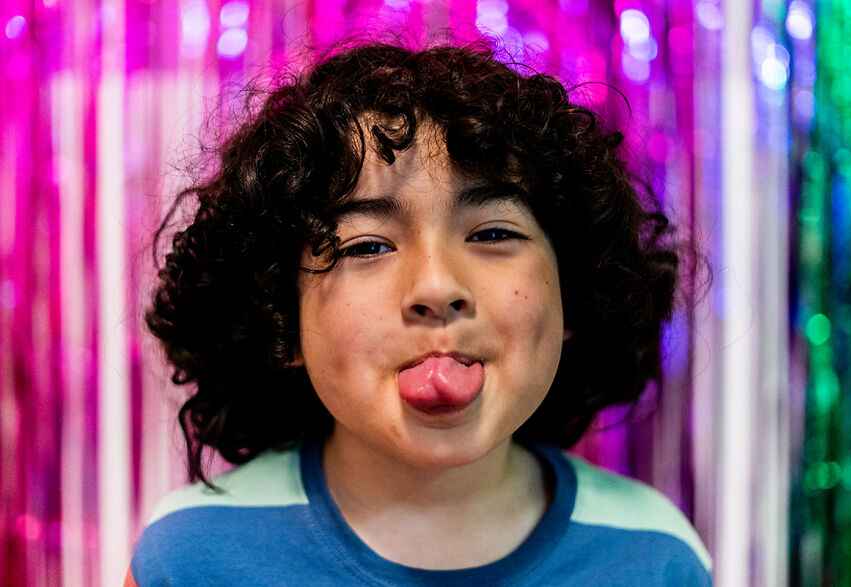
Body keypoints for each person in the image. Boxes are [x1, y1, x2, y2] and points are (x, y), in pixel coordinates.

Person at [126, 41, 711, 585]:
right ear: (283, 321)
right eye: (367, 246)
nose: (436, 286)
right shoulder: (192, 556)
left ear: (573, 296)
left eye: (491, 233)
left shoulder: (652, 554)